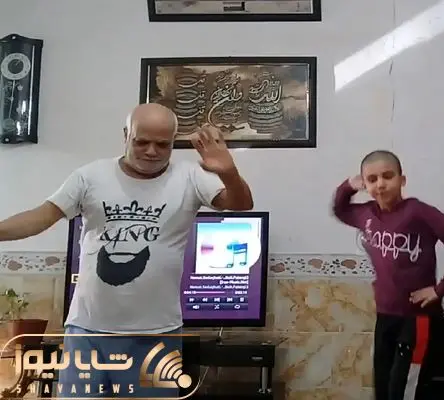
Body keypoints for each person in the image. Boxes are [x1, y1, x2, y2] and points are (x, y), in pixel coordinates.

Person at [0, 103, 254, 398]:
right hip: (88, 332)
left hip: (157, 337)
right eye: (141, 141)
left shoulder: (191, 176)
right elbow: (42, 216)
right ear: (126, 135)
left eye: (163, 144)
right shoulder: (90, 176)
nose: (152, 151)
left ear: (173, 141)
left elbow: (240, 204)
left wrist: (229, 173)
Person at [331, 150, 444, 400]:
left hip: (417, 318)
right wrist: (348, 186)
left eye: (388, 176)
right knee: (383, 387)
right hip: (385, 316)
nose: (380, 184)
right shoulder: (366, 215)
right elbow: (340, 209)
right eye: (372, 179)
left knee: (403, 390)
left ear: (402, 179)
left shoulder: (417, 212)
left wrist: (442, 288)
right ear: (366, 184)